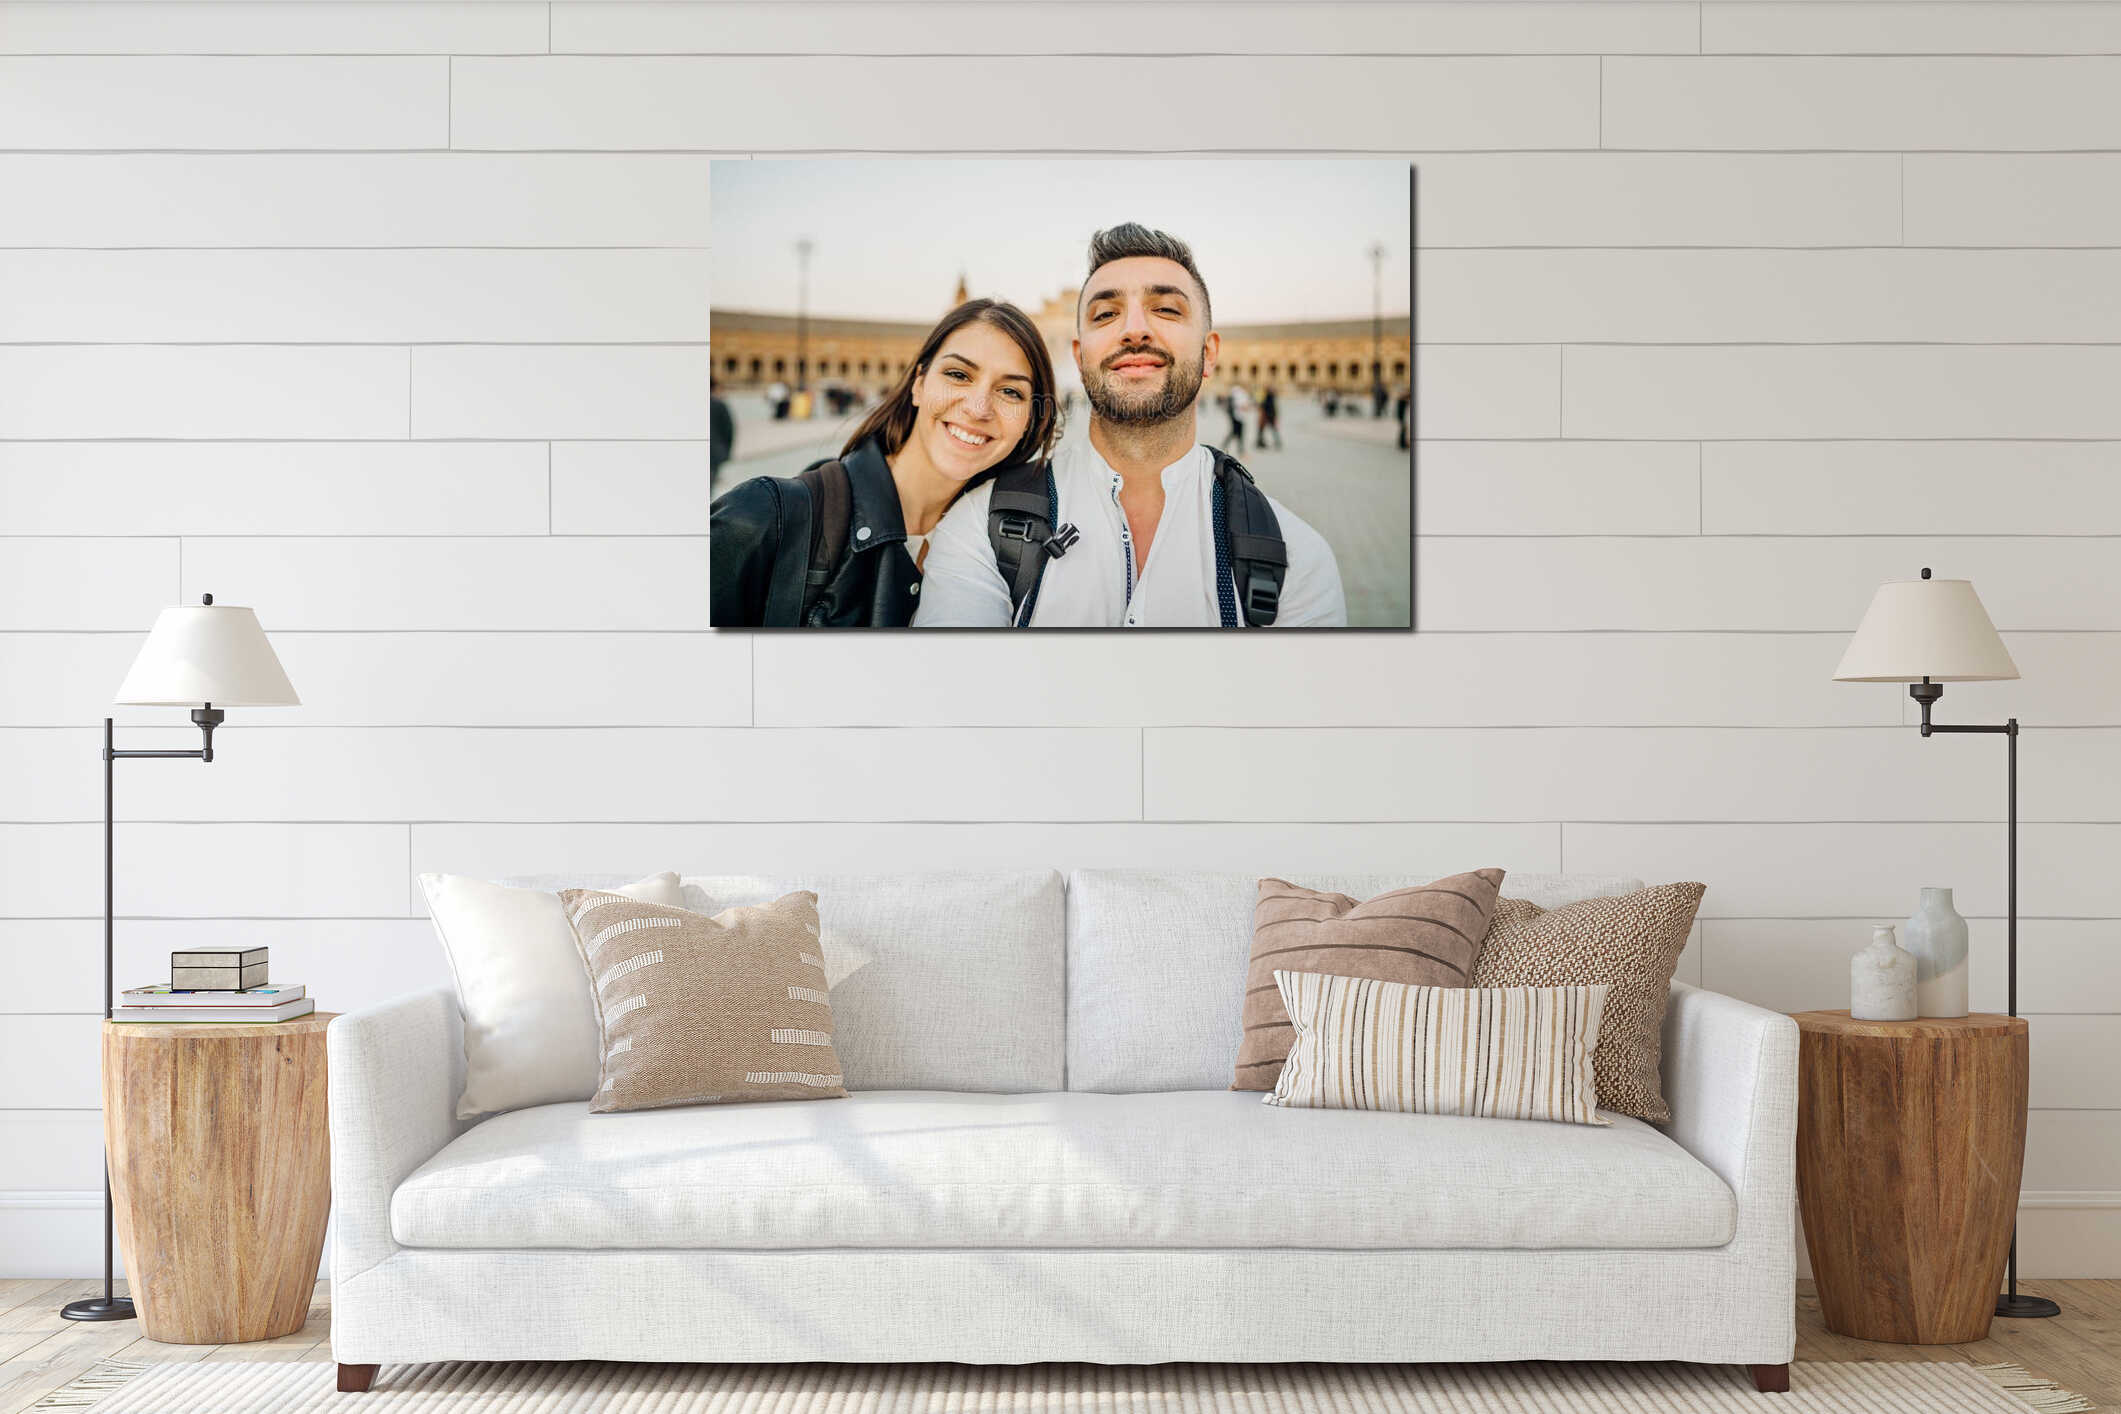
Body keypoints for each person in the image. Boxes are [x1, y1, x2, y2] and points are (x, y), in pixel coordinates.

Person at [915, 224, 1344, 628]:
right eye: (1105, 314)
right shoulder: (979, 529)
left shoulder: (1296, 560)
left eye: (1165, 309)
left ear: (1209, 353)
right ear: (1079, 358)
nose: (1135, 329)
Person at [710, 299, 1060, 627]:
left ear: (1030, 420)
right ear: (918, 385)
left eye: (1010, 392)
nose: (978, 407)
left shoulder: (1013, 550)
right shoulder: (762, 516)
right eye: (958, 374)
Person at [1220, 382, 1251, 454]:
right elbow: (1240, 405)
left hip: (1235, 416)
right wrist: (1246, 407)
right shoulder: (1240, 393)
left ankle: (1227, 445)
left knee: (1235, 432)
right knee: (1238, 432)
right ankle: (1241, 449)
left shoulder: (1235, 392)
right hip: (1238, 416)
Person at [1255, 385, 1281, 451]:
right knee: (1269, 430)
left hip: (1267, 416)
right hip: (1268, 416)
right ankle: (1260, 442)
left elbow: (1263, 406)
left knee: (1263, 430)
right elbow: (1272, 408)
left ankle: (1260, 442)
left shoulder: (1267, 397)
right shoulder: (1269, 397)